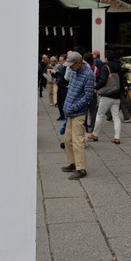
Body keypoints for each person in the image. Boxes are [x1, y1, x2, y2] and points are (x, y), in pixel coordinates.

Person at [60, 52, 94, 180]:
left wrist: (74, 106)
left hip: (78, 112)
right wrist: (67, 107)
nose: (70, 67)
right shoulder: (74, 71)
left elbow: (88, 96)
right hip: (69, 111)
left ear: (79, 63)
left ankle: (81, 168)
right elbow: (71, 89)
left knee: (77, 140)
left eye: (72, 65)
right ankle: (73, 163)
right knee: (67, 139)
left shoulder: (88, 74)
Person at [88, 50, 124, 144]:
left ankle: (95, 134)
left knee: (100, 115)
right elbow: (122, 80)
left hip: (107, 95)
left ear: (106, 58)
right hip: (117, 95)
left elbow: (103, 80)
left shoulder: (106, 66)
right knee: (116, 117)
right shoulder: (119, 66)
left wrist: (96, 87)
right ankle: (117, 137)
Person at [83, 51, 99, 132]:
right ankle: (93, 127)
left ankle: (84, 126)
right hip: (93, 91)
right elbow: (98, 79)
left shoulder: (83, 68)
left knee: (84, 110)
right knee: (93, 111)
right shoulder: (95, 68)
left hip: (84, 91)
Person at [51, 54, 69, 120]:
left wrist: (55, 72)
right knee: (59, 101)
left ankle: (65, 115)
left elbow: (63, 75)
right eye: (59, 60)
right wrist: (53, 74)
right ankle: (62, 115)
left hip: (64, 86)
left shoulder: (67, 67)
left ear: (65, 60)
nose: (60, 61)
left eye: (61, 60)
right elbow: (58, 75)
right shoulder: (61, 66)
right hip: (60, 85)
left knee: (64, 102)